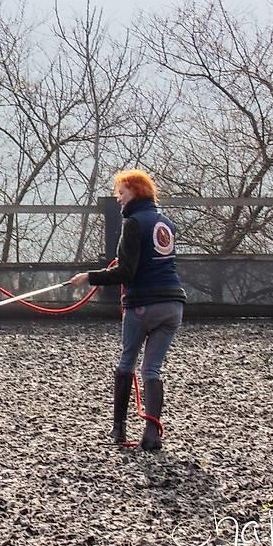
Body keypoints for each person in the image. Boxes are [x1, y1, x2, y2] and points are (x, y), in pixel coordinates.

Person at [69, 170, 186, 451]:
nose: (118, 198)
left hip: (143, 304)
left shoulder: (133, 224)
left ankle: (118, 430)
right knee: (152, 369)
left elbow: (127, 271)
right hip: (173, 305)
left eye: (121, 193)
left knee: (126, 363)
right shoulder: (166, 223)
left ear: (135, 191)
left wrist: (89, 276)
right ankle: (151, 434)